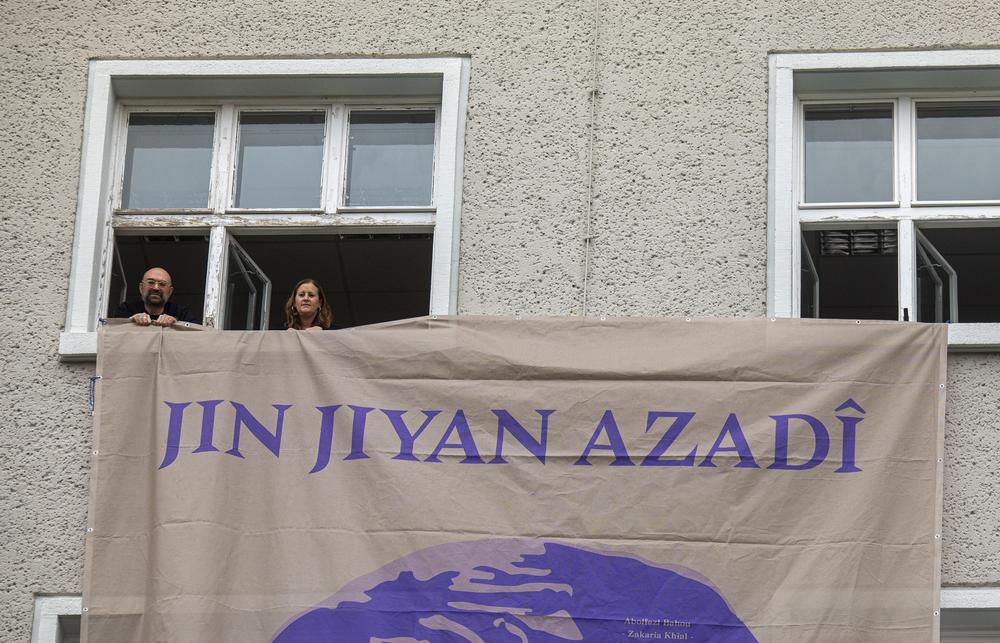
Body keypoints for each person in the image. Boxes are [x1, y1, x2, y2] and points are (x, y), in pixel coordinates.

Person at [114, 267, 198, 327]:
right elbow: (113, 331)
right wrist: (130, 321)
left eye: (162, 284)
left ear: (170, 291)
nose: (156, 288)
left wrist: (176, 324)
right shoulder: (126, 309)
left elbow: (196, 335)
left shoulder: (183, 314)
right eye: (151, 282)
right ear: (141, 288)